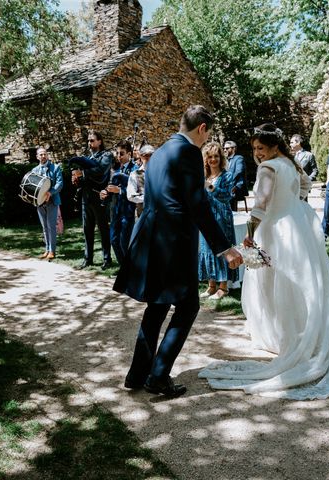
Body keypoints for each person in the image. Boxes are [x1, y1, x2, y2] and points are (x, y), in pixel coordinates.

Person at [198, 123, 329, 400]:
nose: (257, 154)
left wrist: (249, 235)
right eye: (254, 149)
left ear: (274, 146)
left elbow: (260, 205)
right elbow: (306, 187)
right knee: (302, 281)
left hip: (274, 230)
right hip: (296, 227)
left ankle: (283, 336)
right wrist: (292, 206)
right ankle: (300, 331)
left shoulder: (268, 168)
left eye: (260, 148)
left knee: (275, 283)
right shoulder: (290, 163)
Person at [114, 105, 243, 398]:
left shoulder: (159, 151)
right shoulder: (187, 153)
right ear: (202, 129)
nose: (205, 140)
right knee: (188, 306)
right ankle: (158, 376)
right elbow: (197, 203)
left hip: (152, 239)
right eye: (207, 134)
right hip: (173, 243)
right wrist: (224, 248)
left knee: (157, 306)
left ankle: (137, 374)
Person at [198, 142, 238, 300]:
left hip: (222, 217)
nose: (213, 159)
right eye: (210, 157)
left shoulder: (227, 175)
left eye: (216, 156)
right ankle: (211, 285)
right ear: (205, 159)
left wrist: (211, 188)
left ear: (221, 158)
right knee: (207, 249)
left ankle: (223, 287)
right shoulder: (203, 176)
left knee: (221, 249)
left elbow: (226, 197)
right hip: (206, 217)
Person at [71, 130, 113, 270]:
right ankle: (88, 259)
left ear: (100, 141)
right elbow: (85, 178)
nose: (90, 143)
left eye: (92, 140)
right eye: (88, 140)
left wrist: (82, 173)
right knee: (87, 230)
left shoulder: (106, 155)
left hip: (99, 197)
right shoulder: (87, 158)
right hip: (86, 197)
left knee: (103, 229)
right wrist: (77, 179)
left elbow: (101, 170)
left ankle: (107, 259)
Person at [101, 140, 138, 265]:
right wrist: (105, 192)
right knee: (113, 240)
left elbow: (138, 191)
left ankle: (129, 269)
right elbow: (111, 187)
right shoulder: (116, 169)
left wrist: (120, 190)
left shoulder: (135, 169)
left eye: (121, 154)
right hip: (116, 209)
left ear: (129, 154)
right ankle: (124, 268)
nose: (118, 157)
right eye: (117, 153)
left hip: (128, 210)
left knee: (124, 242)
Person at [32, 147, 63, 260]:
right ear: (37, 157)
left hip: (52, 201)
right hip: (40, 203)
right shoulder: (34, 171)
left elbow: (59, 184)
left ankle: (52, 251)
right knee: (44, 227)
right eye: (40, 154)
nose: (43, 156)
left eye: (45, 154)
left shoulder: (55, 168)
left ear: (47, 155)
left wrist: (51, 192)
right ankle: (46, 250)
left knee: (51, 227)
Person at [127, 144, 154, 219]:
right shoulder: (135, 174)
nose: (149, 158)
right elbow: (131, 195)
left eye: (151, 155)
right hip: (142, 214)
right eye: (146, 155)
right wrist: (147, 198)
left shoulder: (159, 172)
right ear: (141, 156)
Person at [224, 140, 247, 211]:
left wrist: (228, 180)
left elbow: (238, 171)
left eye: (227, 148)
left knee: (227, 193)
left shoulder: (239, 158)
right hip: (228, 186)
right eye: (224, 148)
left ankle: (231, 213)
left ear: (234, 149)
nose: (225, 150)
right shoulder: (225, 160)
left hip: (237, 186)